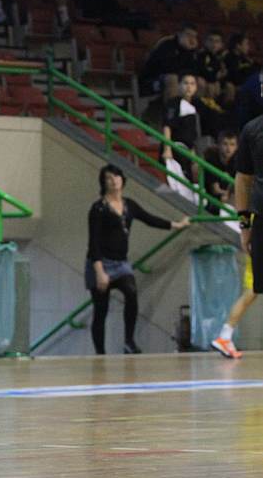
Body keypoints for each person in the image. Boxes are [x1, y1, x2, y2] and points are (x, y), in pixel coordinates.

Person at [86, 164, 189, 354]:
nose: (114, 181)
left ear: (122, 179)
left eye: (117, 176)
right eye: (109, 178)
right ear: (103, 182)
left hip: (121, 263)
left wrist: (176, 225)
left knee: (131, 292)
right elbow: (94, 242)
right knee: (101, 309)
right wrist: (99, 272)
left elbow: (149, 219)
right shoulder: (98, 208)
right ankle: (100, 353)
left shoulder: (129, 205)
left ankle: (129, 341)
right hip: (101, 262)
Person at [213, 117, 263, 359]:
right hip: (258, 225)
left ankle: (225, 334)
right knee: (252, 290)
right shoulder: (253, 130)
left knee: (251, 292)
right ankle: (225, 335)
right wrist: (244, 227)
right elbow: (242, 180)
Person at [161, 72, 205, 181]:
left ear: (196, 87)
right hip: (175, 149)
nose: (189, 87)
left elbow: (192, 136)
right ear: (179, 85)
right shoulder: (173, 103)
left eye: (192, 84)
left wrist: (194, 157)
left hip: (189, 152)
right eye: (186, 83)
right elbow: (167, 126)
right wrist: (167, 149)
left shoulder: (197, 105)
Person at [139, 23, 198, 100]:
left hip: (177, 78)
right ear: (179, 34)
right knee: (172, 78)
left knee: (195, 81)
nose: (191, 39)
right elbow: (167, 69)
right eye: (188, 35)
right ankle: (172, 107)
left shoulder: (191, 49)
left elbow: (194, 69)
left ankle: (191, 106)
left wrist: (190, 51)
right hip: (152, 80)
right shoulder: (167, 44)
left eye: (194, 36)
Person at [203, 130, 238, 211]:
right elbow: (215, 190)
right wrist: (228, 195)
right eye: (225, 144)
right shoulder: (212, 159)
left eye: (232, 145)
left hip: (228, 198)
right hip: (210, 199)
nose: (228, 148)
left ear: (237, 147)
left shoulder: (238, 162)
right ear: (219, 145)